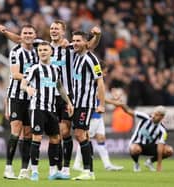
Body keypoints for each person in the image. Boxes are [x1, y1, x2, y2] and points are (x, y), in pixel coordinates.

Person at [0, 21, 101, 177]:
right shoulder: (42, 45)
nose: (53, 31)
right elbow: (20, 39)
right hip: (48, 97)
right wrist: (5, 32)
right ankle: (48, 168)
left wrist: (97, 35)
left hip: (65, 94)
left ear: (63, 31)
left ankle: (65, 168)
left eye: (57, 29)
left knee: (65, 132)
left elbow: (89, 45)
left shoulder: (70, 47)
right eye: (52, 28)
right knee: (50, 133)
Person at [21, 41, 74, 181]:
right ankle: (34, 172)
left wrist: (68, 102)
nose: (43, 52)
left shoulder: (55, 69)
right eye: (40, 50)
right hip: (37, 108)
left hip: (51, 109)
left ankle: (52, 172)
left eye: (45, 49)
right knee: (37, 137)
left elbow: (60, 87)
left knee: (55, 138)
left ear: (51, 52)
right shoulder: (34, 69)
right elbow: (23, 84)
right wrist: (28, 89)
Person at [1, 24, 38, 180]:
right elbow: (15, 74)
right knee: (16, 128)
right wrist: (33, 78)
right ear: (21, 35)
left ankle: (24, 168)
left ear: (35, 35)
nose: (28, 35)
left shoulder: (39, 49)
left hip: (32, 97)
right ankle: (8, 167)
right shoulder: (16, 51)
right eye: (25, 33)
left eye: (31, 32)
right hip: (16, 95)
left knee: (28, 132)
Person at [73, 65, 123, 171]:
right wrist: (114, 102)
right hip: (92, 113)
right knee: (85, 138)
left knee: (101, 138)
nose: (105, 74)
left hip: (98, 115)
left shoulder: (100, 80)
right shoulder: (93, 80)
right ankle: (77, 164)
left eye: (106, 72)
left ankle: (107, 164)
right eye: (104, 72)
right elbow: (98, 95)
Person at [71, 31, 106, 180]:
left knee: (80, 134)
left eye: (78, 40)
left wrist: (102, 104)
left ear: (86, 42)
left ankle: (87, 170)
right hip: (76, 103)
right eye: (73, 41)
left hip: (86, 103)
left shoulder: (91, 59)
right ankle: (89, 171)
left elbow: (100, 82)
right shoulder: (76, 57)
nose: (75, 43)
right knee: (83, 135)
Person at [113, 104, 174, 172]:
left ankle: (149, 162)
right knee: (135, 149)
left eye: (156, 115)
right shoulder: (145, 117)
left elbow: (160, 146)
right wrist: (122, 105)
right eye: (154, 113)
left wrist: (159, 164)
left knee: (169, 151)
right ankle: (136, 163)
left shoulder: (162, 130)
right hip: (137, 144)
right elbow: (128, 111)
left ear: (162, 117)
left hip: (151, 146)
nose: (153, 116)